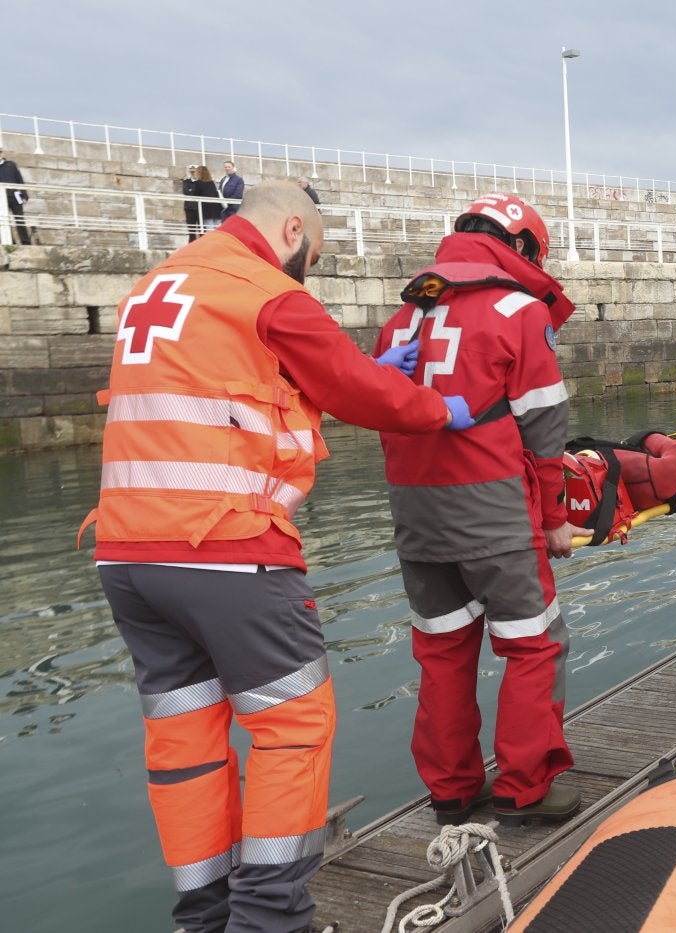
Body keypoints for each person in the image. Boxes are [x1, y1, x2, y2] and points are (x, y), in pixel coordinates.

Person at [81, 180, 473, 933]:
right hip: (227, 547)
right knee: (291, 726)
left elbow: (240, 383)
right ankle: (269, 920)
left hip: (127, 552)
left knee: (185, 735)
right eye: (312, 258)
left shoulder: (158, 284)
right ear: (292, 227)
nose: (307, 274)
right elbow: (359, 391)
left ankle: (205, 914)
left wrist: (371, 362)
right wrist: (431, 406)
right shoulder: (266, 290)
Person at [375, 193, 586, 827]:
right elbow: (545, 432)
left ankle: (452, 790)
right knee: (531, 646)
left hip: (417, 518)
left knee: (441, 653)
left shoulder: (403, 318)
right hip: (493, 513)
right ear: (520, 248)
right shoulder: (519, 312)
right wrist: (552, 521)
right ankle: (527, 788)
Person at [0, 147, 33, 245]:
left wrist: (24, 195)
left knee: (20, 219)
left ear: (3, 153)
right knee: (5, 220)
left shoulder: (11, 165)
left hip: (15, 196)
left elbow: (20, 180)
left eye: (0, 152)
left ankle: (25, 241)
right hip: (1, 198)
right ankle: (10, 242)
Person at [194, 166, 221, 233]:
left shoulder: (198, 183)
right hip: (216, 208)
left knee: (210, 228)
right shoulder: (212, 183)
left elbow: (195, 195)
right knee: (218, 228)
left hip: (206, 209)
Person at [181, 165, 202, 242]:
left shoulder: (201, 182)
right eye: (192, 172)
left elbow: (200, 193)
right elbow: (186, 192)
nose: (193, 173)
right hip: (190, 208)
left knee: (201, 230)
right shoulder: (186, 182)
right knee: (191, 231)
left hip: (200, 208)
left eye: (195, 171)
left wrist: (192, 191)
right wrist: (194, 192)